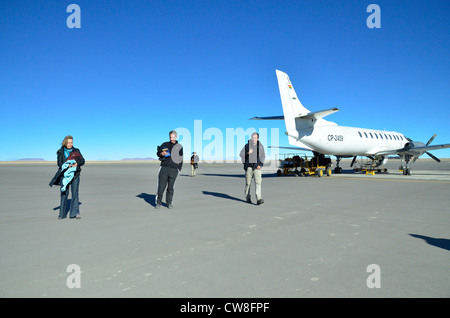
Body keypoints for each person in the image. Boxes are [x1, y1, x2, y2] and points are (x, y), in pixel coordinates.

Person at [51, 135, 85, 219]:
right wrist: (67, 166)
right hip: (64, 175)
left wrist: (77, 163)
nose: (70, 144)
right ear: (65, 143)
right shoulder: (60, 152)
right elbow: (59, 163)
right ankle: (62, 214)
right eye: (68, 142)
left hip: (75, 174)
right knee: (64, 193)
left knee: (75, 193)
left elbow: (82, 160)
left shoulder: (76, 151)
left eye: (71, 142)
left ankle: (75, 213)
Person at [155, 130, 183, 209]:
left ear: (176, 137)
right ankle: (158, 203)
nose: (171, 138)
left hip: (174, 170)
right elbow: (158, 153)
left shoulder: (179, 146)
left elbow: (181, 158)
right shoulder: (165, 144)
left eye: (173, 137)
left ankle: (169, 203)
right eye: (170, 137)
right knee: (161, 187)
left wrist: (178, 169)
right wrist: (161, 154)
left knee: (171, 188)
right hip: (164, 168)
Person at [240, 132, 265, 205]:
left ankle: (259, 199)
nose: (254, 139)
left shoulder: (260, 146)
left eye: (255, 138)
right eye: (253, 137)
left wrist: (260, 165)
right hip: (249, 168)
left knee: (258, 183)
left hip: (257, 168)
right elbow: (241, 154)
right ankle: (247, 197)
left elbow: (263, 156)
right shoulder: (247, 146)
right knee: (248, 183)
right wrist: (247, 153)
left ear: (257, 138)